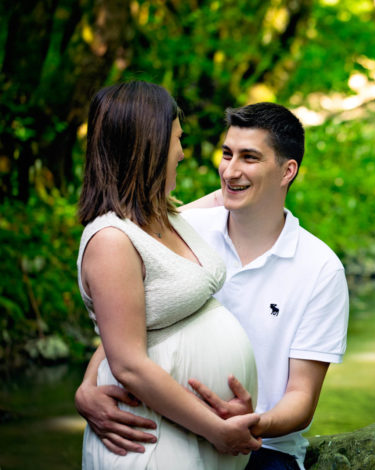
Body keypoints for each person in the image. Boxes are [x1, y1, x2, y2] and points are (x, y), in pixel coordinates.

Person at [75, 102, 350, 469]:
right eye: (227, 153)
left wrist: (254, 423)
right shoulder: (182, 232)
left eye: (249, 158)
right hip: (169, 428)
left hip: (260, 446)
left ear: (288, 171)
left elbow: (301, 395)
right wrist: (87, 386)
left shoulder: (320, 268)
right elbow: (133, 317)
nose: (230, 171)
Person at [76, 81, 261, 469]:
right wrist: (215, 429)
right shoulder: (111, 240)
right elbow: (127, 362)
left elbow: (132, 321)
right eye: (177, 139)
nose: (182, 151)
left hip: (185, 431)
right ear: (149, 144)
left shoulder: (167, 214)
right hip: (152, 440)